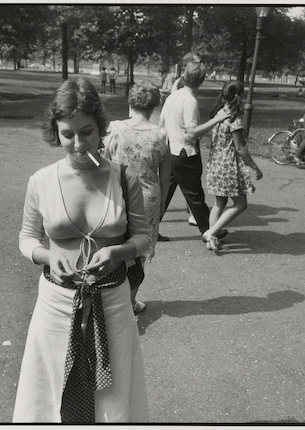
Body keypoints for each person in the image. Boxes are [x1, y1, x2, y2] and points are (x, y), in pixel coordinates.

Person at [12, 78, 150, 423]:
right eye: (67, 134)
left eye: (86, 132)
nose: (77, 143)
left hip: (113, 302)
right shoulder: (40, 182)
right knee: (50, 390)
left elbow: (144, 237)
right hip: (56, 303)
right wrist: (48, 256)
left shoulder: (123, 178)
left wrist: (118, 253)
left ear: (101, 128)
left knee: (113, 395)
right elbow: (27, 239)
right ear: (55, 132)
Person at [103, 80, 170, 313]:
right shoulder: (161, 135)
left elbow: (104, 163)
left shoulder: (115, 129)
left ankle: (109, 296)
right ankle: (130, 300)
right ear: (154, 106)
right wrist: (161, 207)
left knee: (113, 244)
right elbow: (165, 177)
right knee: (138, 250)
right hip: (147, 198)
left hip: (118, 194)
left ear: (130, 103)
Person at [158, 60, 231, 243]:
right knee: (195, 195)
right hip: (184, 153)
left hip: (170, 151)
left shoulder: (173, 96)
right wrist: (217, 119)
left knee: (165, 194)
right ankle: (209, 230)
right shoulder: (189, 101)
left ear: (184, 75)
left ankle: (149, 229)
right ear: (202, 80)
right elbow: (192, 133)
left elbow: (161, 123)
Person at [202, 81, 263, 251]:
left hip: (215, 163)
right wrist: (255, 167)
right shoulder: (234, 119)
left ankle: (211, 240)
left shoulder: (219, 113)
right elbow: (240, 148)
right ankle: (212, 232)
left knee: (219, 203)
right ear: (240, 96)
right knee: (241, 204)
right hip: (227, 165)